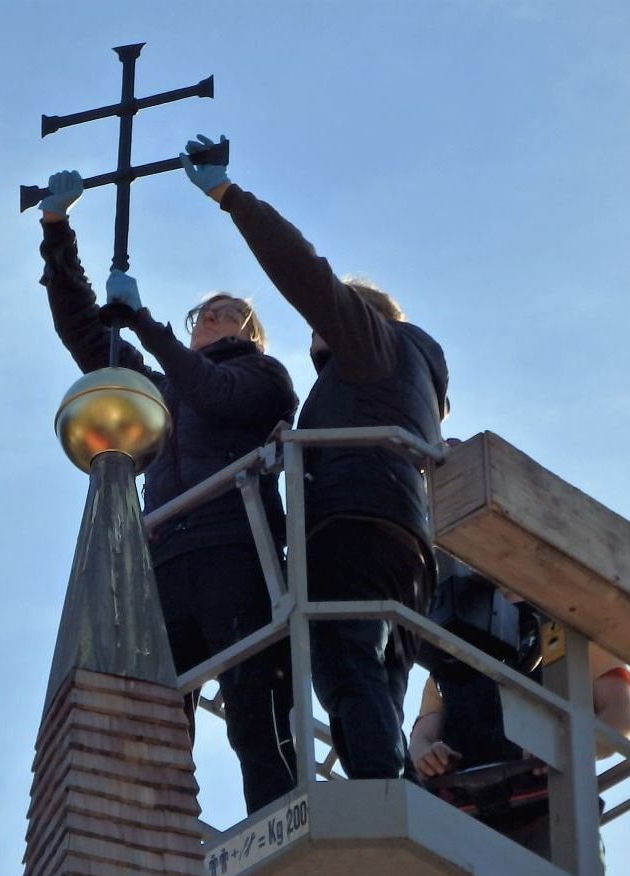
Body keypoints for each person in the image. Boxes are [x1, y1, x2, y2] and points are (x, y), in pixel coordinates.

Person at [180, 136, 450, 780]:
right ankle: (393, 789)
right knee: (377, 681)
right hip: (404, 537)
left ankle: (383, 797)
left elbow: (306, 272)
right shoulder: (403, 383)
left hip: (350, 523)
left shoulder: (373, 346)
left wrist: (231, 198)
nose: (313, 332)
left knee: (346, 664)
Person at [36, 170, 299, 814]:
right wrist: (56, 234)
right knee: (157, 709)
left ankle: (279, 818)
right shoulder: (161, 388)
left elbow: (217, 394)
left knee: (252, 706)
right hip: (164, 553)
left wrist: (146, 324)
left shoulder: (263, 376)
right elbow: (86, 338)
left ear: (250, 332)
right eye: (203, 313)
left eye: (228, 312)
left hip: (237, 547)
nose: (210, 316)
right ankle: (163, 830)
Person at [409, 584, 630, 858]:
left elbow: (621, 722)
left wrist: (560, 745)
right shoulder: (449, 655)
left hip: (550, 816)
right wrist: (427, 755)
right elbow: (420, 742)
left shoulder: (577, 632)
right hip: (462, 818)